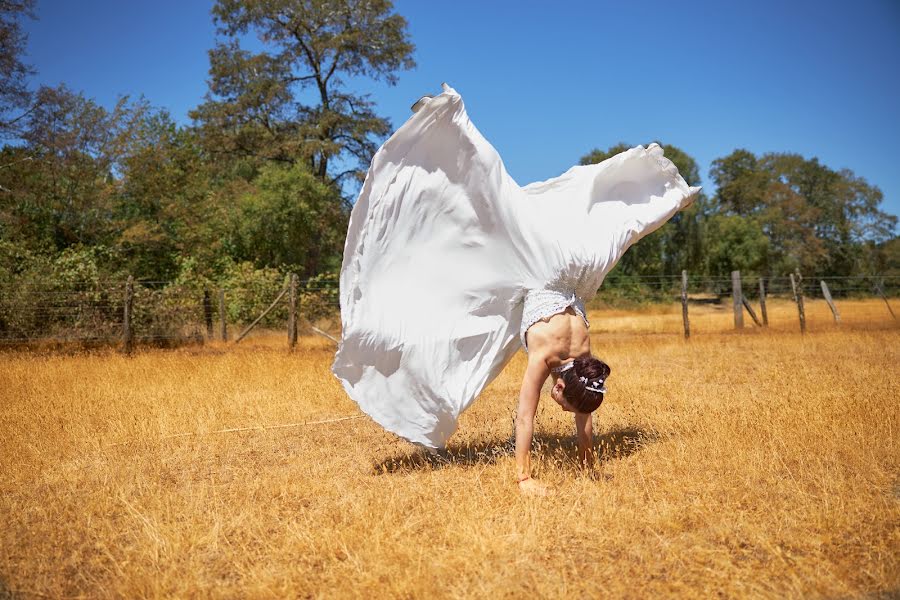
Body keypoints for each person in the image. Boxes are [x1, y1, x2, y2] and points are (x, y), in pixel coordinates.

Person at [332, 84, 699, 491]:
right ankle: (445, 120)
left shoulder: (585, 360)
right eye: (561, 400)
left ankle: (670, 195)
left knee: (613, 225)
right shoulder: (547, 357)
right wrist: (523, 477)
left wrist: (587, 459)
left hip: (579, 267)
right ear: (560, 385)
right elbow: (526, 416)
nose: (559, 407)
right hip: (543, 264)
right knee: (491, 201)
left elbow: (586, 410)